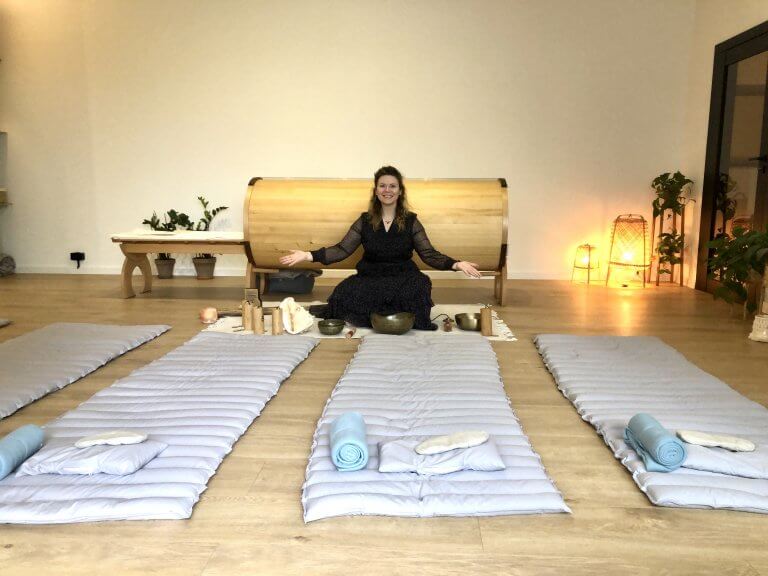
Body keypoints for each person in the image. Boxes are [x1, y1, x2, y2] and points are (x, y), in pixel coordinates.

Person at [279, 166, 481, 330]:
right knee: (343, 291)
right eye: (382, 186)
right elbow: (342, 249)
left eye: (392, 186)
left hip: (403, 277)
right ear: (376, 191)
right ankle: (386, 315)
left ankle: (389, 316)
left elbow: (428, 254)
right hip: (371, 277)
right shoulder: (365, 220)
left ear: (400, 191)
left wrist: (456, 264)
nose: (387, 190)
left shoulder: (411, 221)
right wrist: (307, 255)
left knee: (420, 286)